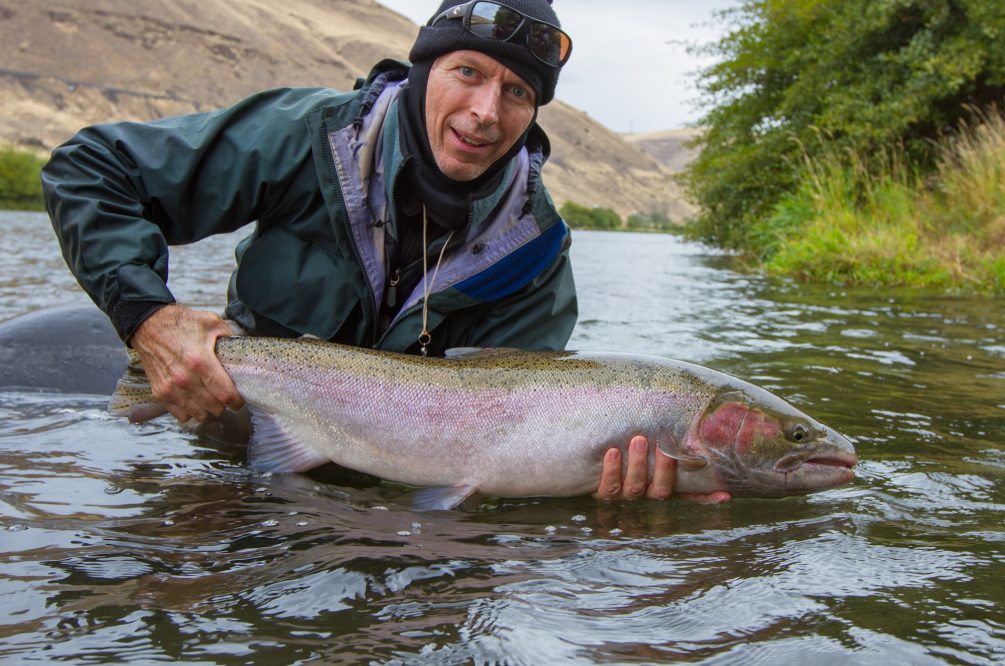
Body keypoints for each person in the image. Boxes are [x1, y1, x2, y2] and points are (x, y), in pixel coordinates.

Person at [42, 0, 699, 503]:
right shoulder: (310, 139)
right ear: (423, 72)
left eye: (517, 93)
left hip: (381, 498)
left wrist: (596, 481)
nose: (483, 112)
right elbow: (91, 168)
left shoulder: (534, 254)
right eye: (466, 73)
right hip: (228, 448)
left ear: (533, 113)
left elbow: (512, 441)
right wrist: (146, 316)